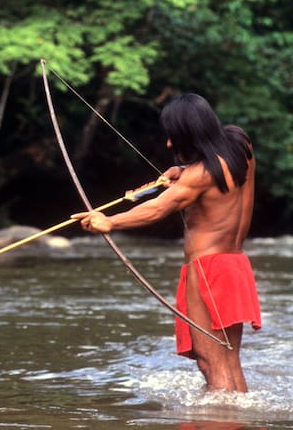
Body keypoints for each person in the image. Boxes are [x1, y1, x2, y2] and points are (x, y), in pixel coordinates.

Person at [71, 93, 261, 392]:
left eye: (174, 137)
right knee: (228, 359)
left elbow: (158, 208)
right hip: (235, 266)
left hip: (208, 270)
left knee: (211, 362)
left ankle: (220, 426)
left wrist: (108, 221)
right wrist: (182, 171)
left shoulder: (198, 176)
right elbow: (208, 170)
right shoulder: (240, 145)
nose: (170, 145)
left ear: (190, 134)